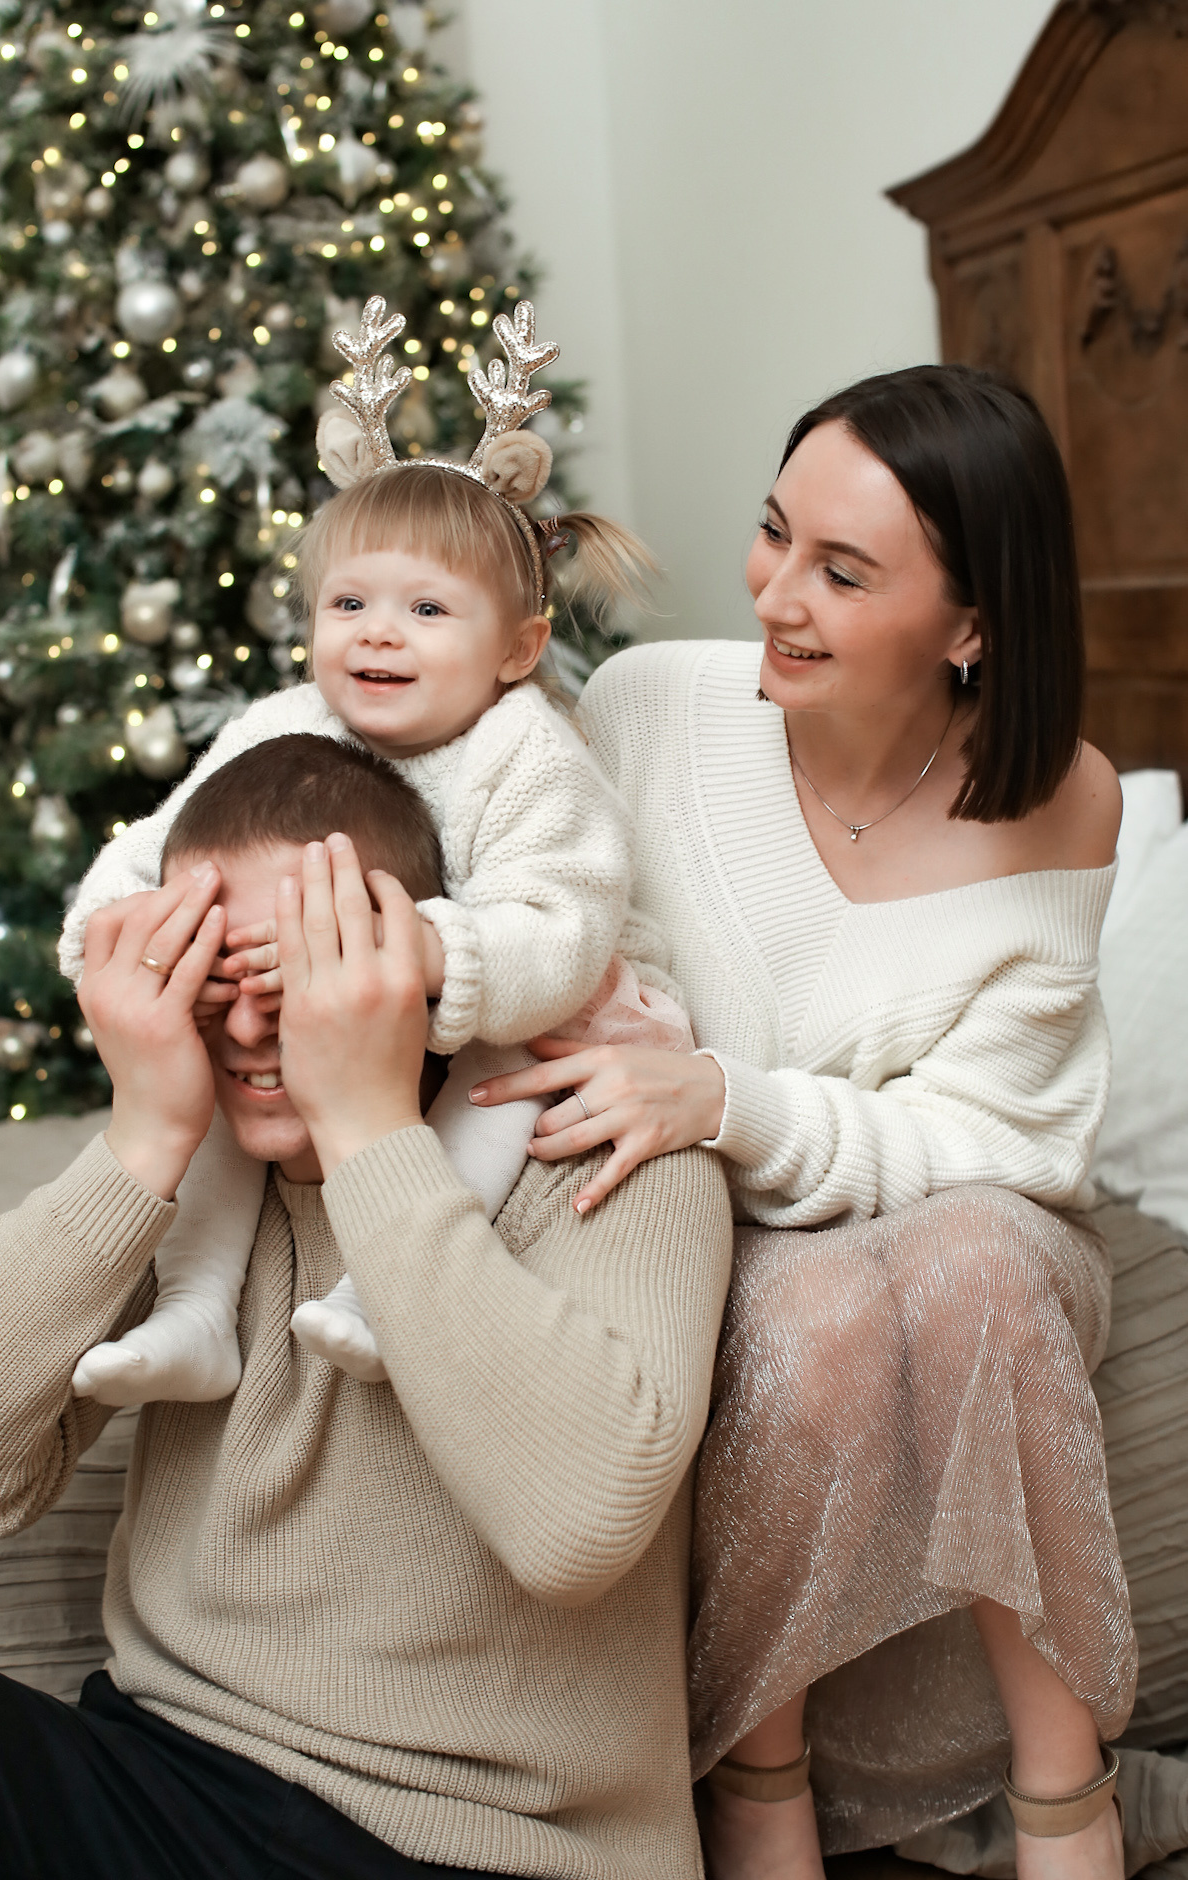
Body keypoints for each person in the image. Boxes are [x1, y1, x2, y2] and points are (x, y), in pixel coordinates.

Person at [0, 733, 732, 1880]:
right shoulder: (193, 1168)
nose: (252, 1030)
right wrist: (142, 1136)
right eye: (212, 985)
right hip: (160, 1774)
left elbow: (576, 1527)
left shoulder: (608, 1146)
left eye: (297, 978)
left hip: (479, 1847)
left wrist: (364, 1124)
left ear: (410, 962)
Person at [471, 364, 1132, 1880]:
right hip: (720, 1234)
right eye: (774, 534)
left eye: (842, 571)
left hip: (977, 1233)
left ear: (972, 626)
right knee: (814, 1317)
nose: (773, 594)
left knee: (977, 1261)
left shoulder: (1064, 798)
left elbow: (997, 1138)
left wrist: (731, 1098)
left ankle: (1065, 1787)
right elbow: (549, 936)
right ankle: (759, 1785)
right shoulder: (646, 708)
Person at [60, 293, 690, 1395]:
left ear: (518, 649)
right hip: (336, 993)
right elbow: (165, 846)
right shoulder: (281, 722)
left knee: (502, 1083)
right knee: (221, 1077)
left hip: (537, 1002)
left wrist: (427, 948)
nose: (377, 633)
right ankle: (197, 1308)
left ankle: (379, 1290)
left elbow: (563, 926)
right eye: (348, 602)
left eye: (427, 611)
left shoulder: (527, 753)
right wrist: (115, 933)